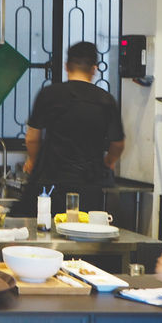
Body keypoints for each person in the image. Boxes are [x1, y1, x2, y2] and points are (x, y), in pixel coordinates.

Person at [13, 41, 125, 217]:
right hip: (89, 184)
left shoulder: (49, 94)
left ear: (66, 66)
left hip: (51, 182)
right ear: (94, 69)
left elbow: (32, 138)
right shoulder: (106, 100)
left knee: (46, 233)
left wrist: (33, 161)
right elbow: (118, 143)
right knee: (83, 233)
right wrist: (109, 161)